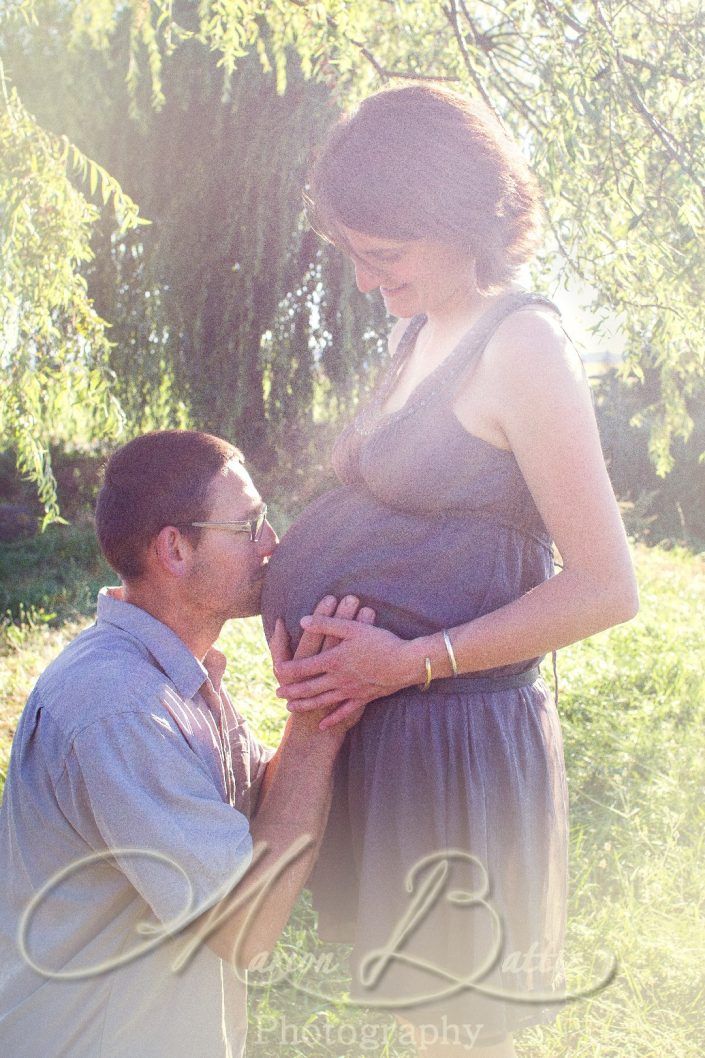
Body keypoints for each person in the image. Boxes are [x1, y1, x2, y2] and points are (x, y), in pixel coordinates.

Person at [260, 84, 639, 1057]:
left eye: (382, 256)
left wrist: (410, 658)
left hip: (461, 747)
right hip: (396, 741)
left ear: (455, 216)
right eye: (352, 254)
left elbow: (607, 586)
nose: (365, 281)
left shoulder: (524, 345)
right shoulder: (413, 331)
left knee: (460, 1038)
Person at [0, 429, 372, 1058]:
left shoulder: (172, 678)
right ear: (174, 548)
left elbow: (264, 819)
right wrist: (317, 721)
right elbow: (244, 925)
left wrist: (327, 688)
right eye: (249, 525)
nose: (271, 544)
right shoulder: (118, 708)